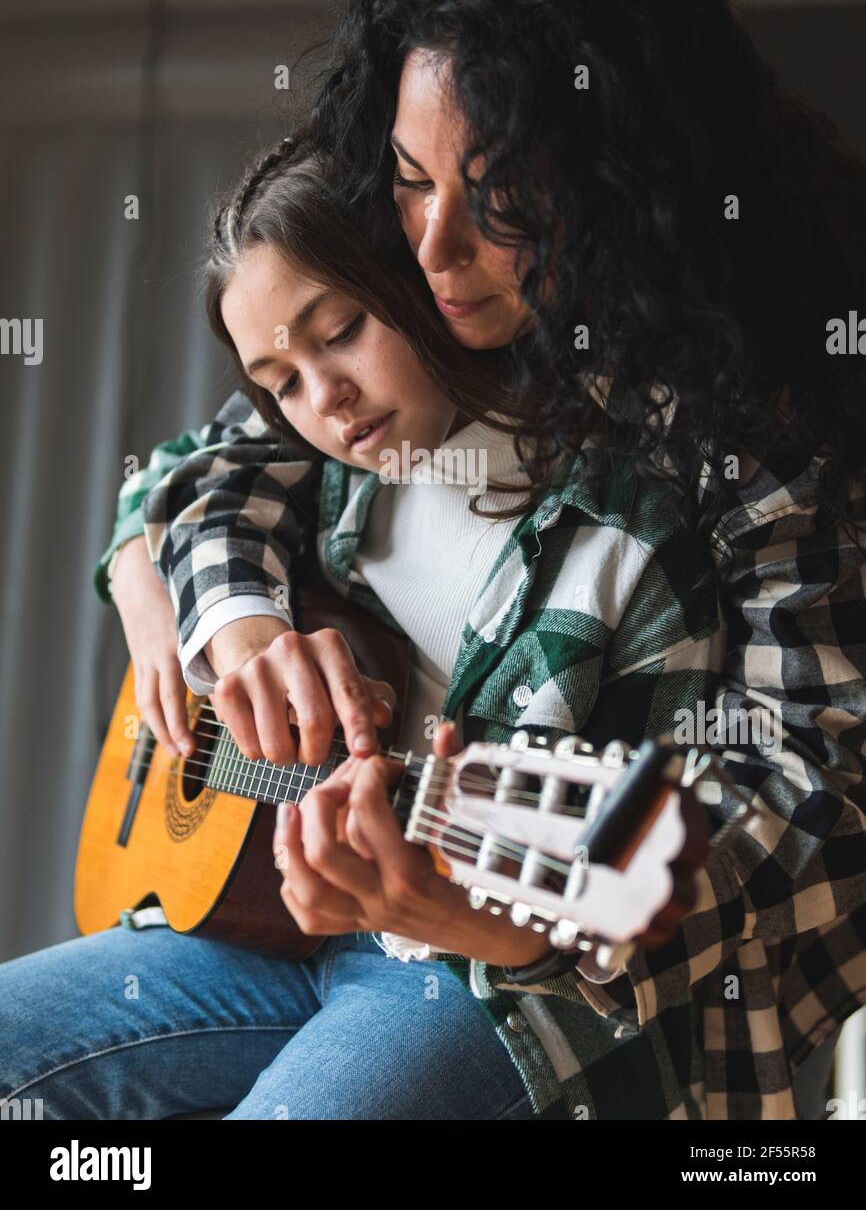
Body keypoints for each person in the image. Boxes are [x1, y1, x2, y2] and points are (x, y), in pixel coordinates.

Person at [102, 0, 866, 1118]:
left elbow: (804, 828)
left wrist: (517, 922)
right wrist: (202, 598)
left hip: (562, 994)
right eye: (409, 179)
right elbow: (207, 465)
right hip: (312, 932)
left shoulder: (769, 440)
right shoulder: (435, 328)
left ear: (630, 181)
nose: (433, 248)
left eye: (499, 194)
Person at [0, 138, 723, 1121]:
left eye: (338, 330)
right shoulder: (330, 470)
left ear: (419, 278)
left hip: (477, 977)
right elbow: (178, 478)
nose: (324, 400)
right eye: (280, 379)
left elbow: (653, 898)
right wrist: (201, 611)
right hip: (277, 932)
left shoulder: (622, 530)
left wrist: (452, 906)